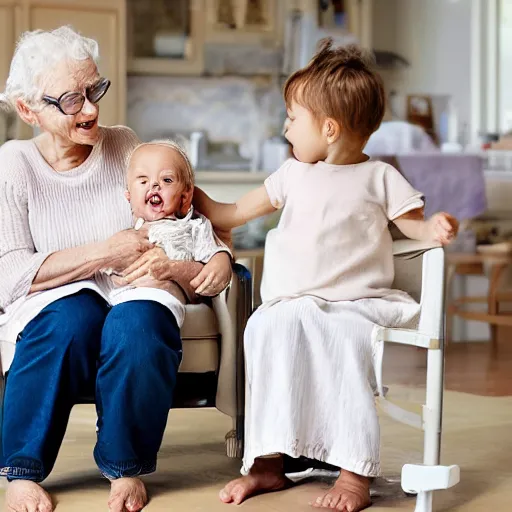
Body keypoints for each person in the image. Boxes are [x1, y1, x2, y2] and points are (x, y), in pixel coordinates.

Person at [193, 40, 459, 512]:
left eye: (292, 119)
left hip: (357, 301)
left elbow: (411, 223)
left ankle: (354, 471)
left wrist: (432, 227)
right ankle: (267, 463)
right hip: (293, 300)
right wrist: (191, 195)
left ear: (329, 128)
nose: (285, 127)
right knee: (265, 329)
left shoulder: (380, 176)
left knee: (340, 340)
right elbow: (232, 213)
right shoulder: (293, 173)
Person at [0, 26, 231, 512]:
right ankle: (21, 469)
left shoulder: (124, 143)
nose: (91, 110)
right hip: (54, 301)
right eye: (69, 100)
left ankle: (124, 467)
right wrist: (106, 252)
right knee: (70, 320)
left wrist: (220, 250)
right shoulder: (14, 165)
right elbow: (8, 275)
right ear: (27, 110)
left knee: (141, 327)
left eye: (94, 90)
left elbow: (184, 209)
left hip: (133, 292)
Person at [104, 139, 230, 307]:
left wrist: (221, 260)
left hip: (164, 302)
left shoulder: (195, 227)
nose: (155, 185)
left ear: (184, 197)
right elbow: (107, 267)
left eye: (167, 180)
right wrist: (116, 276)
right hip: (123, 301)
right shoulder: (127, 231)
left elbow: (212, 264)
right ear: (129, 197)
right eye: (143, 181)